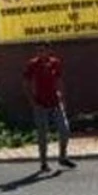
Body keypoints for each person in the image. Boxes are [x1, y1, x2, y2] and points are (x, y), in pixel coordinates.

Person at [23, 42, 77, 173]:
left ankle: (62, 156)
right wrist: (32, 101)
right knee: (43, 134)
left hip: (55, 102)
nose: (40, 52)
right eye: (38, 50)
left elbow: (59, 81)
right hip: (40, 104)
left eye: (43, 50)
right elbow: (26, 83)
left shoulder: (55, 63)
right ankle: (43, 163)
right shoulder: (32, 64)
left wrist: (62, 97)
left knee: (64, 130)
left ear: (48, 50)